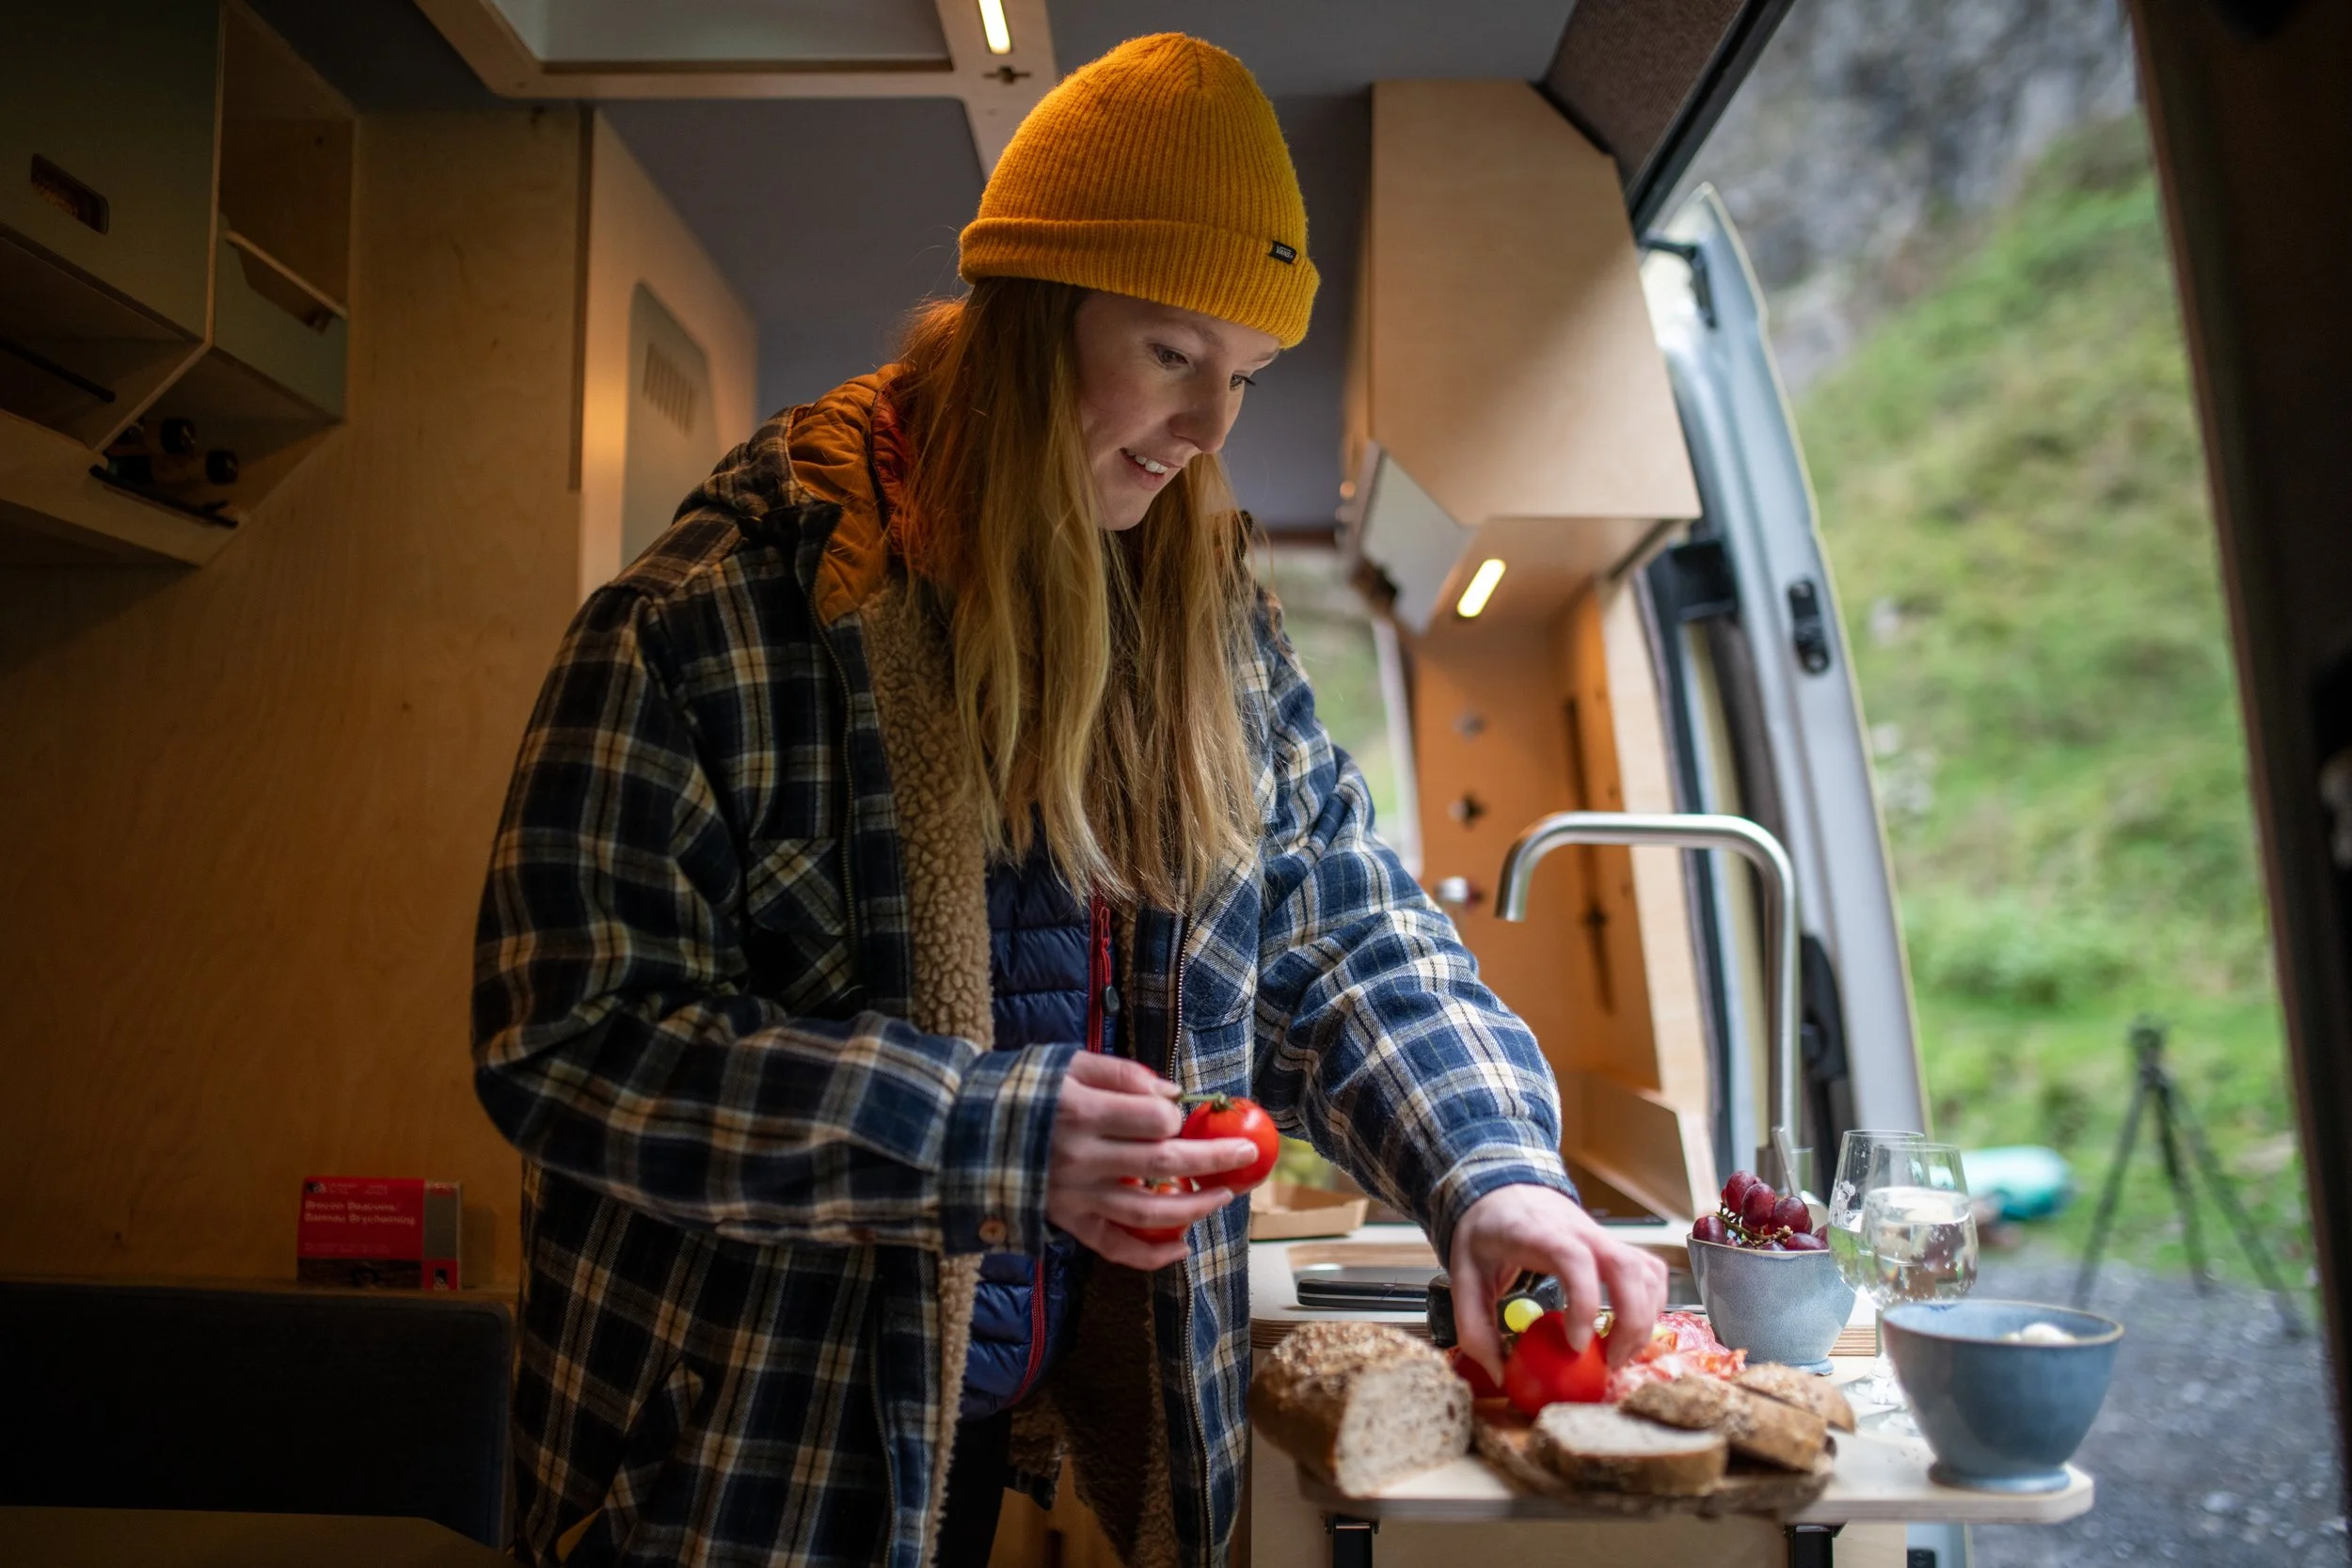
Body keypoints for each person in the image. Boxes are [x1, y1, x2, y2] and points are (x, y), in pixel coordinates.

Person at [471, 32, 1666, 1568]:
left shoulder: (1206, 630)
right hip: (751, 1452)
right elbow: (570, 1046)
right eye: (1173, 353)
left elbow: (1342, 935)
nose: (1211, 429)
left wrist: (1492, 1176)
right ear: (1029, 317)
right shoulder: (710, 621)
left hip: (993, 1424)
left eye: (1245, 375)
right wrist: (988, 1136)